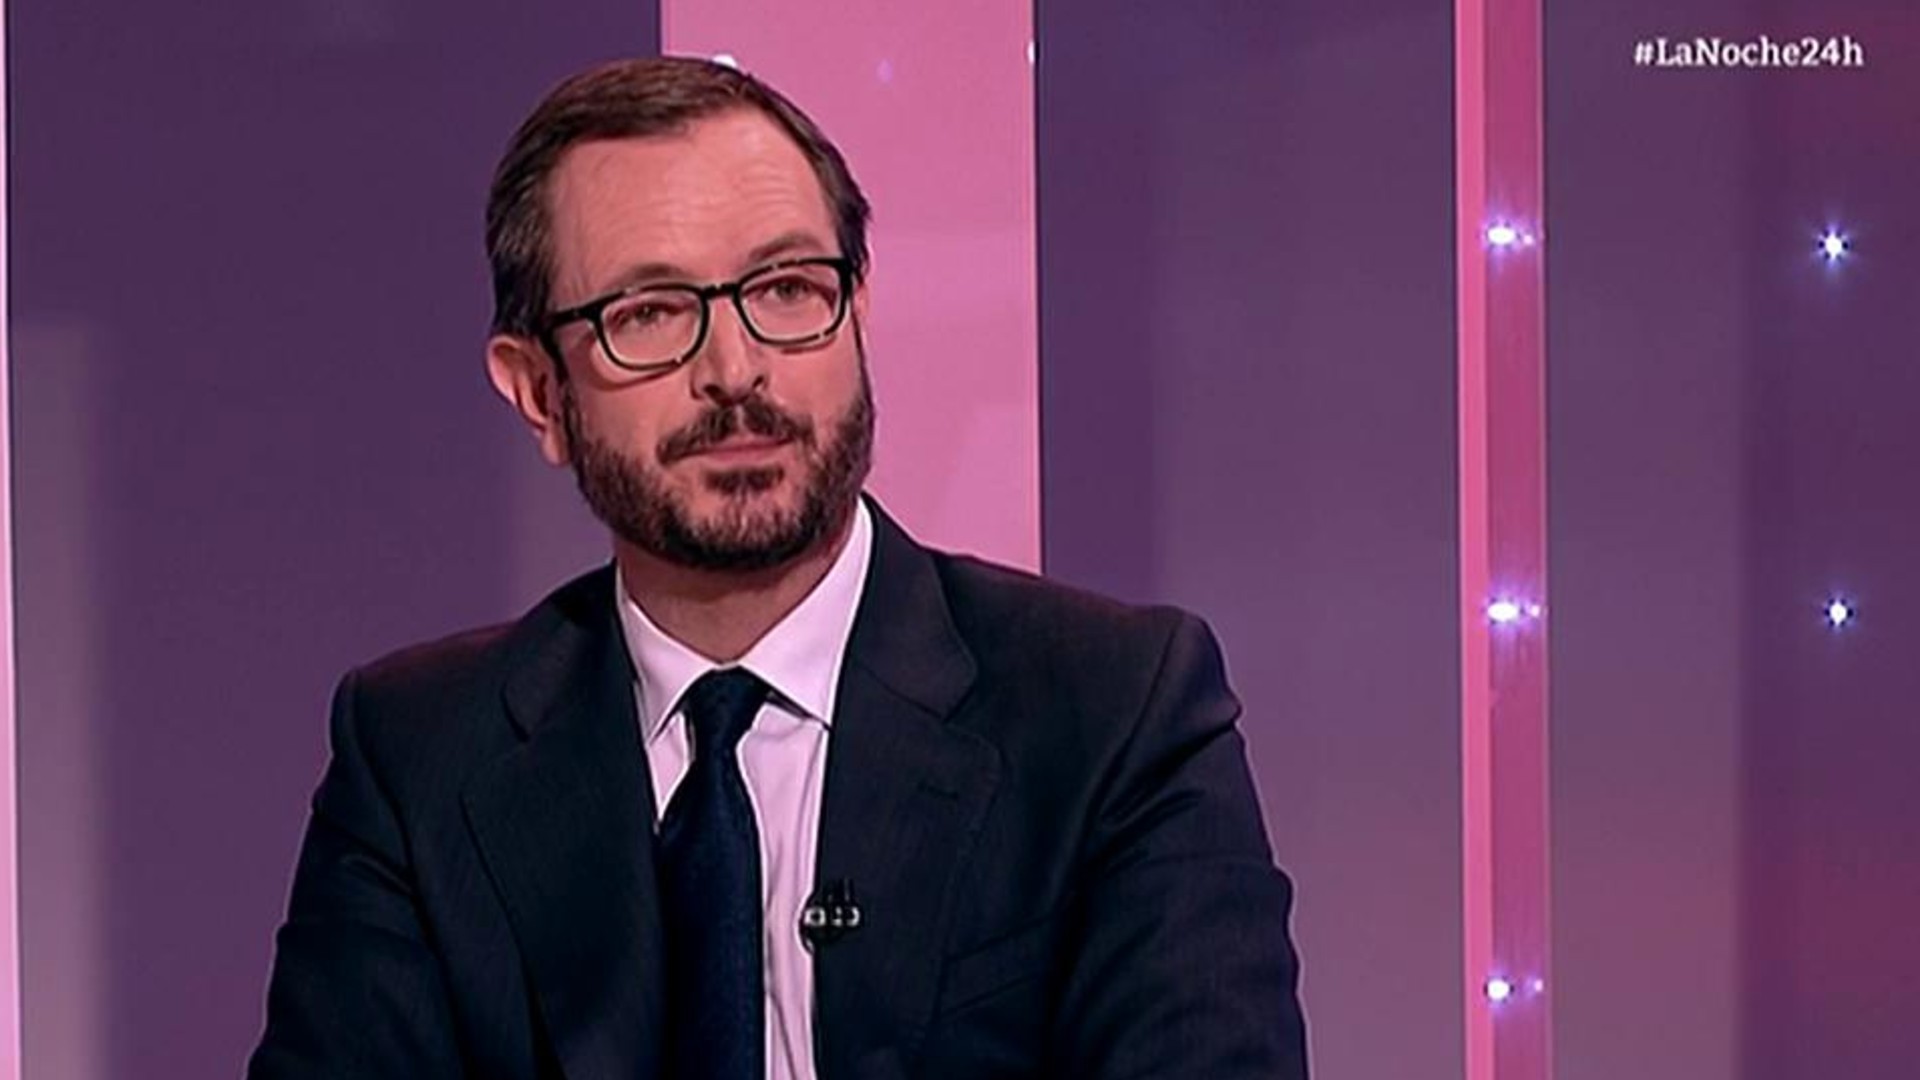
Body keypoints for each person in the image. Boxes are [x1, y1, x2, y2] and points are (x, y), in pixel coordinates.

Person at [248, 56, 1309, 1080]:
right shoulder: (420, 757)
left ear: (859, 313)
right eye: (649, 314)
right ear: (538, 391)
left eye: (789, 289)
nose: (736, 369)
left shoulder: (1112, 711)